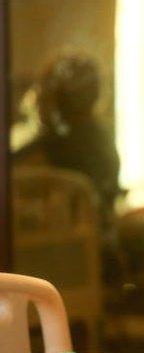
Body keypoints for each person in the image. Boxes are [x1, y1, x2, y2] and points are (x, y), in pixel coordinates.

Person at [14, 53, 121, 232]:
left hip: (51, 249)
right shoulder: (101, 138)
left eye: (42, 90)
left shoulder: (50, 148)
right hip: (99, 247)